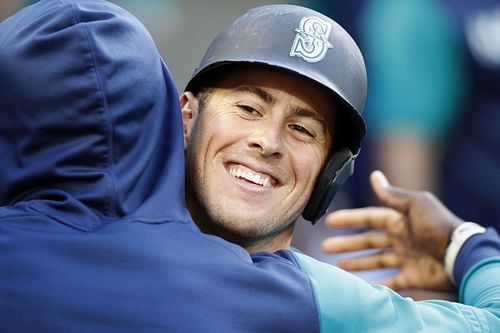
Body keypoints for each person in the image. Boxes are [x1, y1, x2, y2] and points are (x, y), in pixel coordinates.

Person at [1, 1, 500, 332]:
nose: (267, 141)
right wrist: (465, 244)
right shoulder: (310, 302)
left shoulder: (326, 301)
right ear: (186, 116)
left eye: (303, 128)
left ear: (331, 173)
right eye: (248, 108)